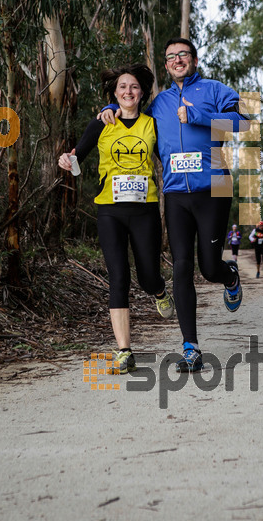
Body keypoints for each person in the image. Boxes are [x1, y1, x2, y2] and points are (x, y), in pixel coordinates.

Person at [100, 38, 246, 373]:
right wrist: (111, 110)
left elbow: (242, 123)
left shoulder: (214, 90)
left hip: (215, 187)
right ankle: (191, 347)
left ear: (194, 59)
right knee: (181, 265)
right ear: (165, 66)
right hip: (176, 192)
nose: (177, 60)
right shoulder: (160, 103)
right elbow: (132, 120)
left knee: (209, 267)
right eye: (170, 57)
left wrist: (198, 114)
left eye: (183, 55)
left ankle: (230, 276)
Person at [58, 64, 174, 375]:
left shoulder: (153, 125)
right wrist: (67, 161)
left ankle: (160, 291)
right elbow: (76, 156)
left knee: (148, 277)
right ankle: (125, 351)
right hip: (109, 209)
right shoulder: (101, 123)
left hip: (145, 209)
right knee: (118, 277)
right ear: (115, 93)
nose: (128, 92)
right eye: (122, 87)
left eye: (134, 87)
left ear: (142, 93)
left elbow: (170, 155)